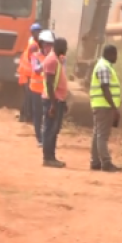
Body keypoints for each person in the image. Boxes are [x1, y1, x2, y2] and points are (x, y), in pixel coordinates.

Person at [89, 45, 122, 172]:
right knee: (102, 135)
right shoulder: (104, 66)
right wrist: (113, 107)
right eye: (115, 54)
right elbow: (105, 88)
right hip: (104, 106)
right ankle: (106, 162)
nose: (116, 57)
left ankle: (95, 161)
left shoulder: (103, 65)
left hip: (100, 104)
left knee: (97, 134)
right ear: (110, 54)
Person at [41, 36, 70, 168]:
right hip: (52, 101)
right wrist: (53, 104)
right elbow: (49, 84)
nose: (66, 50)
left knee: (54, 130)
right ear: (58, 47)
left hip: (58, 100)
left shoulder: (57, 60)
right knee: (50, 130)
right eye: (64, 47)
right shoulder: (52, 60)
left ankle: (51, 157)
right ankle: (48, 158)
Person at [29, 30, 55, 147]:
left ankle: (46, 137)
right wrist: (46, 62)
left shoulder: (54, 57)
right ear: (41, 44)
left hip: (48, 91)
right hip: (36, 89)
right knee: (38, 114)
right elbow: (36, 69)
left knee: (47, 115)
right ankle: (39, 138)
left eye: (50, 44)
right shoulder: (35, 56)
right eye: (45, 44)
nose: (48, 47)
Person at [17, 23, 43, 122]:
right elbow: (33, 60)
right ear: (32, 33)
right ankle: (26, 116)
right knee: (29, 95)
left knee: (28, 95)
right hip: (27, 73)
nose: (38, 33)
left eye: (39, 31)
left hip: (26, 72)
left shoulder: (32, 42)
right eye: (37, 31)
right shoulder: (34, 46)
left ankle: (24, 115)